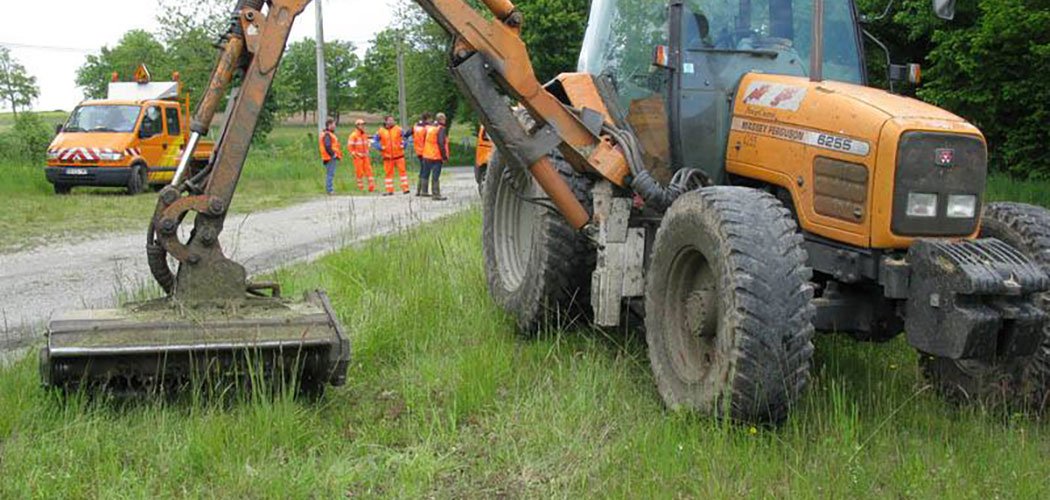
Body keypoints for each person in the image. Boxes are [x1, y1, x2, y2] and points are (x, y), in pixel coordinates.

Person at [375, 115, 412, 196]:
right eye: (390, 120)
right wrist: (380, 147)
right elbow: (375, 141)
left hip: (399, 155)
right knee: (388, 174)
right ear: (386, 121)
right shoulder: (380, 131)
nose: (392, 121)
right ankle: (389, 190)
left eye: (393, 120)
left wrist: (404, 145)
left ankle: (405, 189)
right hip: (387, 157)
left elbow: (405, 137)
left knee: (403, 173)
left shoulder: (398, 129)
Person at [421, 112, 450, 201]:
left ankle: (424, 191)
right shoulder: (440, 129)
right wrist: (444, 156)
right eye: (444, 119)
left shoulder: (430, 128)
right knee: (435, 176)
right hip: (436, 156)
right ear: (441, 119)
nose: (445, 120)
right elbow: (441, 143)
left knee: (425, 174)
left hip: (426, 154)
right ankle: (436, 194)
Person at [346, 119, 376, 193]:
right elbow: (350, 147)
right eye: (361, 124)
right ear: (357, 126)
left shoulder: (364, 135)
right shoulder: (353, 135)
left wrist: (368, 149)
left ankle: (371, 188)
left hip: (365, 157)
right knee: (359, 173)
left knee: (369, 172)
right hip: (358, 157)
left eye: (363, 124)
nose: (363, 126)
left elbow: (367, 144)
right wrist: (354, 155)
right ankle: (361, 189)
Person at [317, 117, 343, 195]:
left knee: (330, 173)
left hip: (328, 157)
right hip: (329, 157)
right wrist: (333, 154)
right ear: (329, 125)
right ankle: (330, 190)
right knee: (330, 174)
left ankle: (329, 189)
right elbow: (327, 146)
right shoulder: (327, 135)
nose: (335, 126)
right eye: (334, 124)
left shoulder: (328, 134)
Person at [412, 113, 432, 196]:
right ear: (428, 119)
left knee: (422, 169)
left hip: (418, 151)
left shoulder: (416, 126)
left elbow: (407, 134)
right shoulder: (427, 128)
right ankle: (424, 191)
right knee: (425, 170)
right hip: (425, 151)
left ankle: (418, 190)